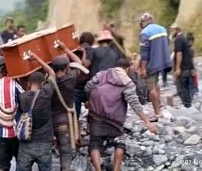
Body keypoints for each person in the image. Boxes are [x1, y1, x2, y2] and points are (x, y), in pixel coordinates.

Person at [85, 59, 157, 171]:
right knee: (119, 143)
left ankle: (98, 169)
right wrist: (147, 122)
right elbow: (134, 103)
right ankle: (116, 168)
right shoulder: (127, 82)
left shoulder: (101, 74)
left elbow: (88, 87)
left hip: (96, 115)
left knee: (95, 143)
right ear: (127, 68)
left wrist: (89, 100)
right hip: (115, 119)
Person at [16, 52, 55, 171]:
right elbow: (52, 73)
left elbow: (18, 80)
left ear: (28, 84)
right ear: (43, 84)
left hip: (26, 144)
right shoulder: (46, 94)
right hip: (44, 143)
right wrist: (37, 58)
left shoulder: (22, 97)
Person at [0, 55, 24, 171]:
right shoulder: (14, 83)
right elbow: (23, 100)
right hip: (15, 132)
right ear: (4, 68)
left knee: (1, 167)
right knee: (22, 164)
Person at [51, 41, 83, 171]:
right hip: (65, 122)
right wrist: (65, 48)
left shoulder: (48, 83)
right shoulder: (70, 78)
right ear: (66, 68)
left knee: (59, 147)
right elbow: (79, 63)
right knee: (66, 153)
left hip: (52, 122)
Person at [139, 12, 171, 121]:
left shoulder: (145, 32)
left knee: (150, 87)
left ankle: (157, 113)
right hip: (163, 61)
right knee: (156, 83)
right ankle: (160, 106)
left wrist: (143, 68)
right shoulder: (162, 29)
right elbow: (167, 43)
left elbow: (144, 52)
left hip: (152, 64)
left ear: (143, 23)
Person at [170, 23, 195, 108]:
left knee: (181, 89)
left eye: (172, 30)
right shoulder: (184, 39)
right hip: (187, 68)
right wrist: (192, 68)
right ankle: (188, 105)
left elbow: (179, 54)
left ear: (177, 30)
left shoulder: (179, 39)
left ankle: (187, 106)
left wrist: (177, 68)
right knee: (186, 88)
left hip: (183, 69)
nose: (171, 32)